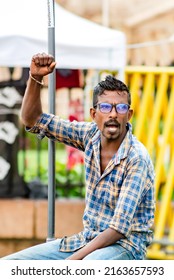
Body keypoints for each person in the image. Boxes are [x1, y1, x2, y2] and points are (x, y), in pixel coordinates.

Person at [1, 53, 155, 260]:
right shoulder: (89, 136)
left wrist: (73, 261)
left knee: (82, 269)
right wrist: (35, 78)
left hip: (126, 247)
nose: (113, 114)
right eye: (105, 107)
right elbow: (33, 119)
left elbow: (119, 228)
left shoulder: (137, 158)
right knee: (11, 264)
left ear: (129, 114)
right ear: (93, 114)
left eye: (120, 107)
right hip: (87, 240)